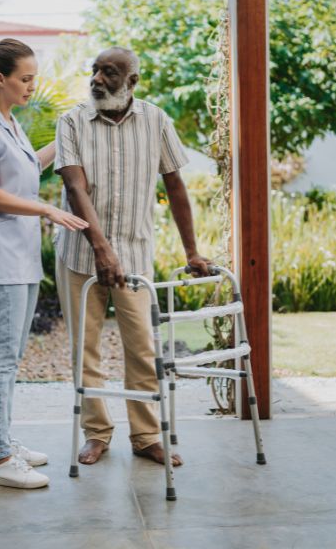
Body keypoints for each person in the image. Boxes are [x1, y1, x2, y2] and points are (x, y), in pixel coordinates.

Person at [54, 46, 210, 467]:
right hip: (79, 256)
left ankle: (145, 437)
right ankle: (97, 433)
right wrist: (101, 249)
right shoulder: (71, 121)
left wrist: (191, 251)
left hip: (135, 255)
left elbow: (175, 185)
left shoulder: (156, 119)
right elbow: (75, 188)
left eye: (109, 72)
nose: (98, 79)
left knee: (142, 347)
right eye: (95, 71)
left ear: (132, 81)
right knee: (83, 349)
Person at [0, 39, 88, 489]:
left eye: (34, 78)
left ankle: (5, 442)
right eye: (26, 79)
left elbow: (31, 164)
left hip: (21, 257)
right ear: (0, 79)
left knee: (10, 357)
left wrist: (70, 135)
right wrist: (49, 210)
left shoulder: (7, 123)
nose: (33, 86)